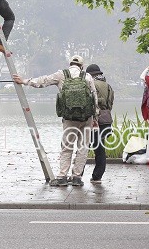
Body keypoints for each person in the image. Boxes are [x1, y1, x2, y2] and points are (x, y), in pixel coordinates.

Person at [13, 55, 99, 187]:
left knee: (67, 147)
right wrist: (95, 117)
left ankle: (62, 177)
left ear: (70, 64)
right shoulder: (87, 76)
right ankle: (76, 177)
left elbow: (43, 81)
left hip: (69, 118)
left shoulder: (61, 75)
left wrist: (24, 81)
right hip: (86, 118)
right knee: (83, 148)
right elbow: (94, 97)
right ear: (82, 66)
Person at [85, 63, 114, 183]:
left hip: (94, 120)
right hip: (106, 120)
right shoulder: (108, 86)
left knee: (85, 146)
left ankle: (77, 174)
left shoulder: (91, 84)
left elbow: (90, 102)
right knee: (100, 148)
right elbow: (110, 104)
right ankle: (97, 176)